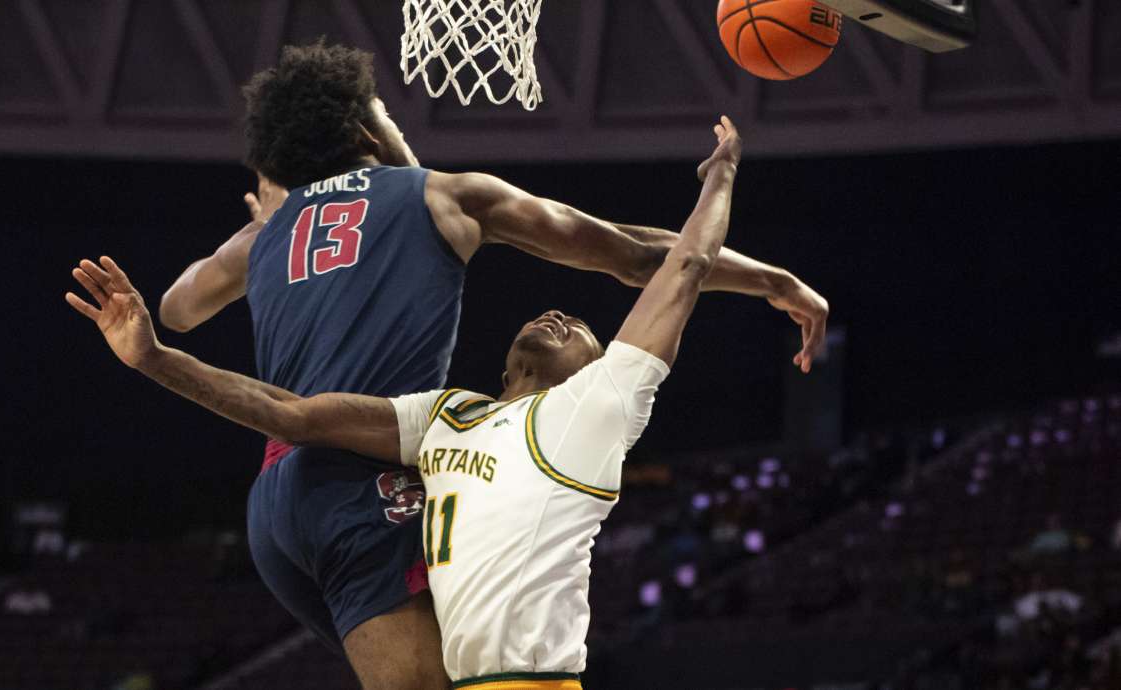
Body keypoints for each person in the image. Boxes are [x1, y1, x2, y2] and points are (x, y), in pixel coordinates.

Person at [154, 40, 828, 689]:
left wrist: (268, 220)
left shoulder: (264, 235)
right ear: (366, 126)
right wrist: (771, 278)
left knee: (463, 667)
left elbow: (177, 308)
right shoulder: (448, 196)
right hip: (362, 483)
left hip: (273, 507)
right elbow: (638, 256)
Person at [69, 115, 746, 688]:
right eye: (560, 313)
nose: (562, 314)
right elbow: (293, 415)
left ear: (599, 372)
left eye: (583, 329)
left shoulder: (591, 415)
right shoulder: (447, 416)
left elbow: (682, 266)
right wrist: (154, 360)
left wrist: (720, 177)